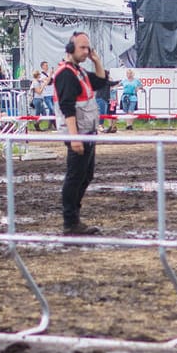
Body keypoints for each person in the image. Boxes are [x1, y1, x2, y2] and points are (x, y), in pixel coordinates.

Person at [52, 32, 109, 236]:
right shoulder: (66, 74)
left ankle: (74, 218)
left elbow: (101, 82)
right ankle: (70, 222)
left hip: (87, 132)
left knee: (85, 176)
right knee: (75, 177)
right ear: (70, 49)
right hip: (78, 134)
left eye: (88, 48)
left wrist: (97, 61)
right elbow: (67, 107)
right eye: (82, 48)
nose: (86, 51)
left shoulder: (79, 72)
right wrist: (74, 137)